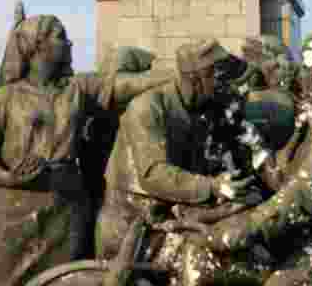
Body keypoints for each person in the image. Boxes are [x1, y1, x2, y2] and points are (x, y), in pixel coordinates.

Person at [0, 9, 169, 286]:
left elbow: (126, 85)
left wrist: (182, 73)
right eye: (61, 37)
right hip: (14, 210)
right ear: (37, 46)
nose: (69, 44)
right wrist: (5, 176)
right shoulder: (5, 98)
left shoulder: (77, 89)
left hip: (66, 210)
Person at [187, 32, 312, 286]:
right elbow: (281, 180)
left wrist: (239, 231)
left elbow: (298, 198)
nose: (303, 76)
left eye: (309, 68)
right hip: (291, 236)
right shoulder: (311, 118)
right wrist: (249, 136)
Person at [94, 39, 254, 268]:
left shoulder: (207, 108)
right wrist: (214, 186)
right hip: (130, 226)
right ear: (196, 79)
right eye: (219, 79)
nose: (225, 87)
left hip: (169, 216)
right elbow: (153, 175)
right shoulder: (147, 108)